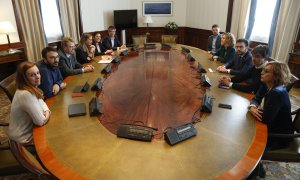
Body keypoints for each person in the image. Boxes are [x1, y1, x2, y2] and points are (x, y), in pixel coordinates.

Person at [249, 61, 293, 150]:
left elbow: (265, 119)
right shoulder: (267, 84)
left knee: (245, 140)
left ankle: (257, 163)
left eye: (266, 71)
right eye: (263, 70)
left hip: (278, 136)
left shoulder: (277, 92)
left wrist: (253, 109)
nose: (262, 73)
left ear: (276, 76)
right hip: (271, 126)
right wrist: (252, 107)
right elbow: (256, 98)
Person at [8, 62, 50, 144]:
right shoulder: (25, 94)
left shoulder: (31, 88)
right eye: (32, 75)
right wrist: (47, 113)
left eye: (38, 73)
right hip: (23, 140)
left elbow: (41, 101)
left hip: (29, 132)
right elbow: (41, 121)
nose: (37, 77)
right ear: (24, 79)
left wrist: (46, 111)